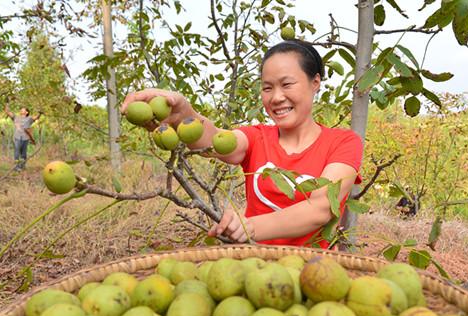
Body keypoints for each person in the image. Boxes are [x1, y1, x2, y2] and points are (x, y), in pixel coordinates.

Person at [121, 40, 363, 248]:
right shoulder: (257, 137)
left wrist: (248, 226)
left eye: (287, 84)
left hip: (315, 273)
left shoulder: (343, 142)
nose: (276, 97)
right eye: (267, 88)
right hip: (254, 267)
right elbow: (214, 141)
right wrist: (183, 113)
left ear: (315, 82)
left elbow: (320, 208)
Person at [4, 104, 41, 170]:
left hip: (25, 138)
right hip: (17, 137)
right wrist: (7, 103)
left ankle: (22, 166)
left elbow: (36, 117)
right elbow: (7, 112)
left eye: (23, 109)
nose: (21, 110)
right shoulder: (16, 117)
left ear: (26, 112)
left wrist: (40, 113)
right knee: (17, 151)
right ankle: (16, 166)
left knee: (23, 153)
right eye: (21, 109)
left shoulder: (29, 118)